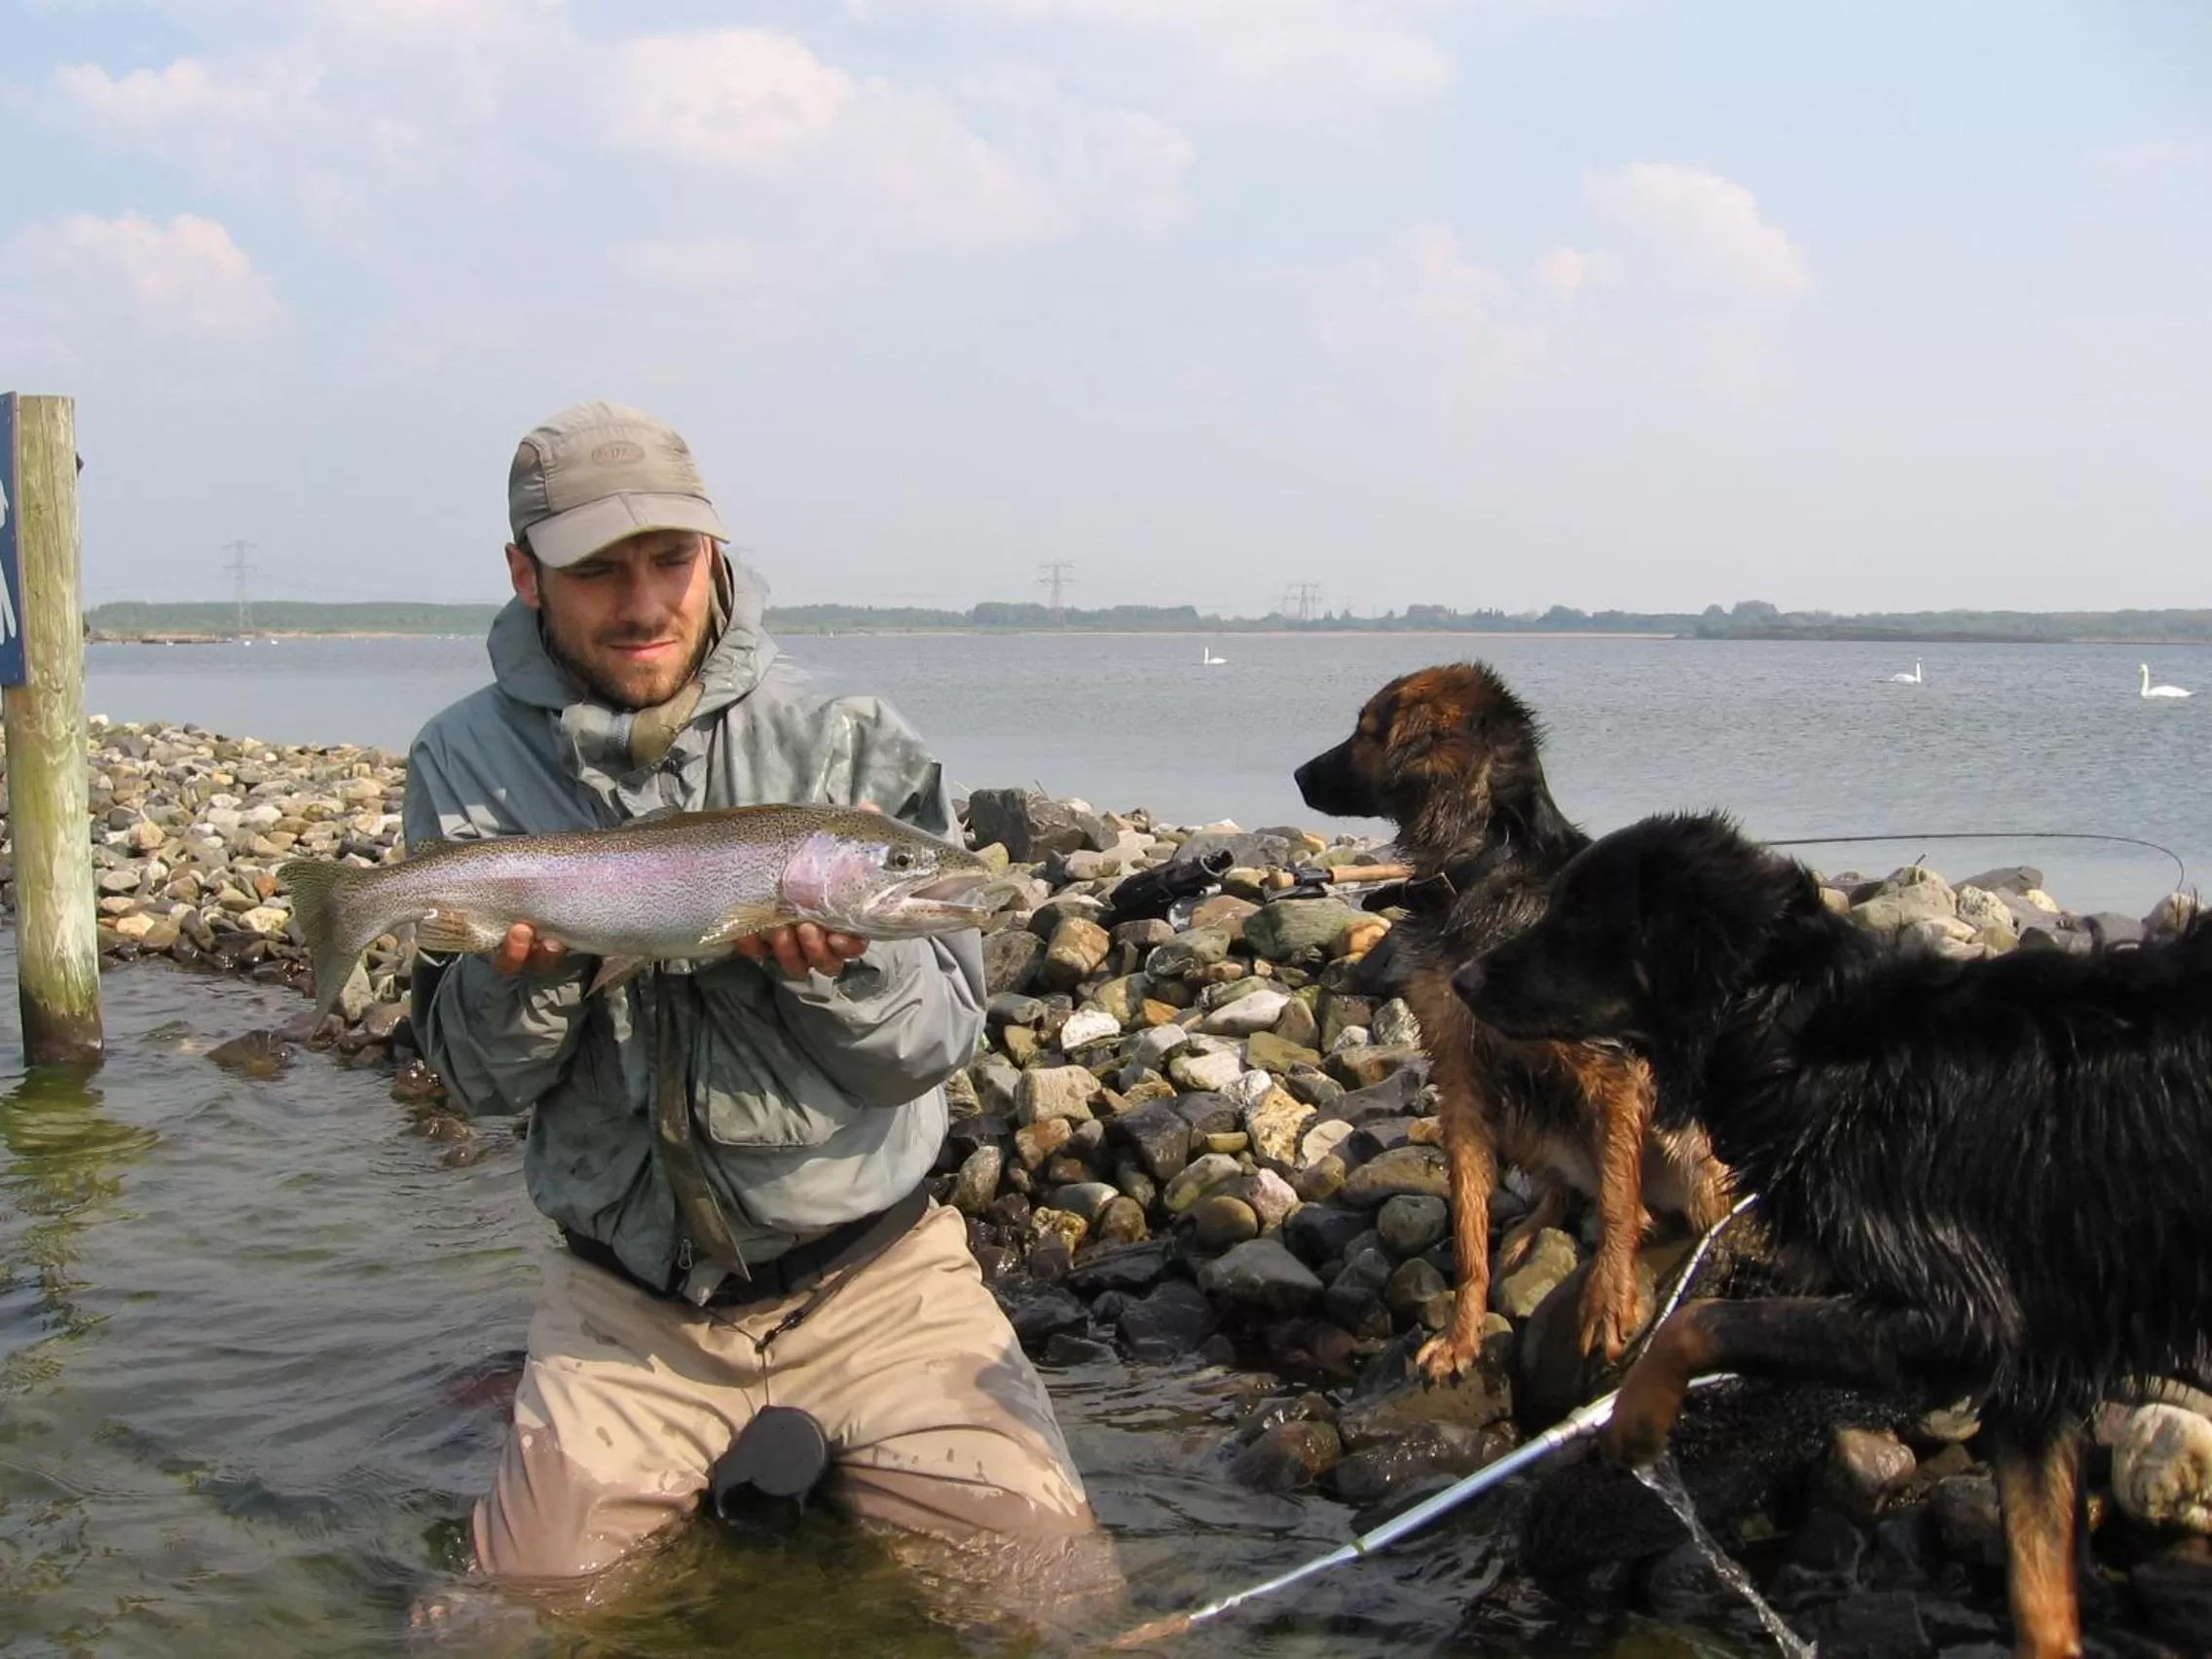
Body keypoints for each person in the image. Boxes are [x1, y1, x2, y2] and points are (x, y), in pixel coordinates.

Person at [401, 401, 1107, 1616]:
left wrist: (837, 966)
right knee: (503, 1623)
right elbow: (477, 1087)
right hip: (624, 1307)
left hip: (877, 1282)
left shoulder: (846, 741)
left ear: (714, 556)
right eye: (597, 571)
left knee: (1060, 1603)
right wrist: (531, 974)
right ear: (527, 578)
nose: (644, 604)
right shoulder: (461, 762)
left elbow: (930, 1048)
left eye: (670, 561)